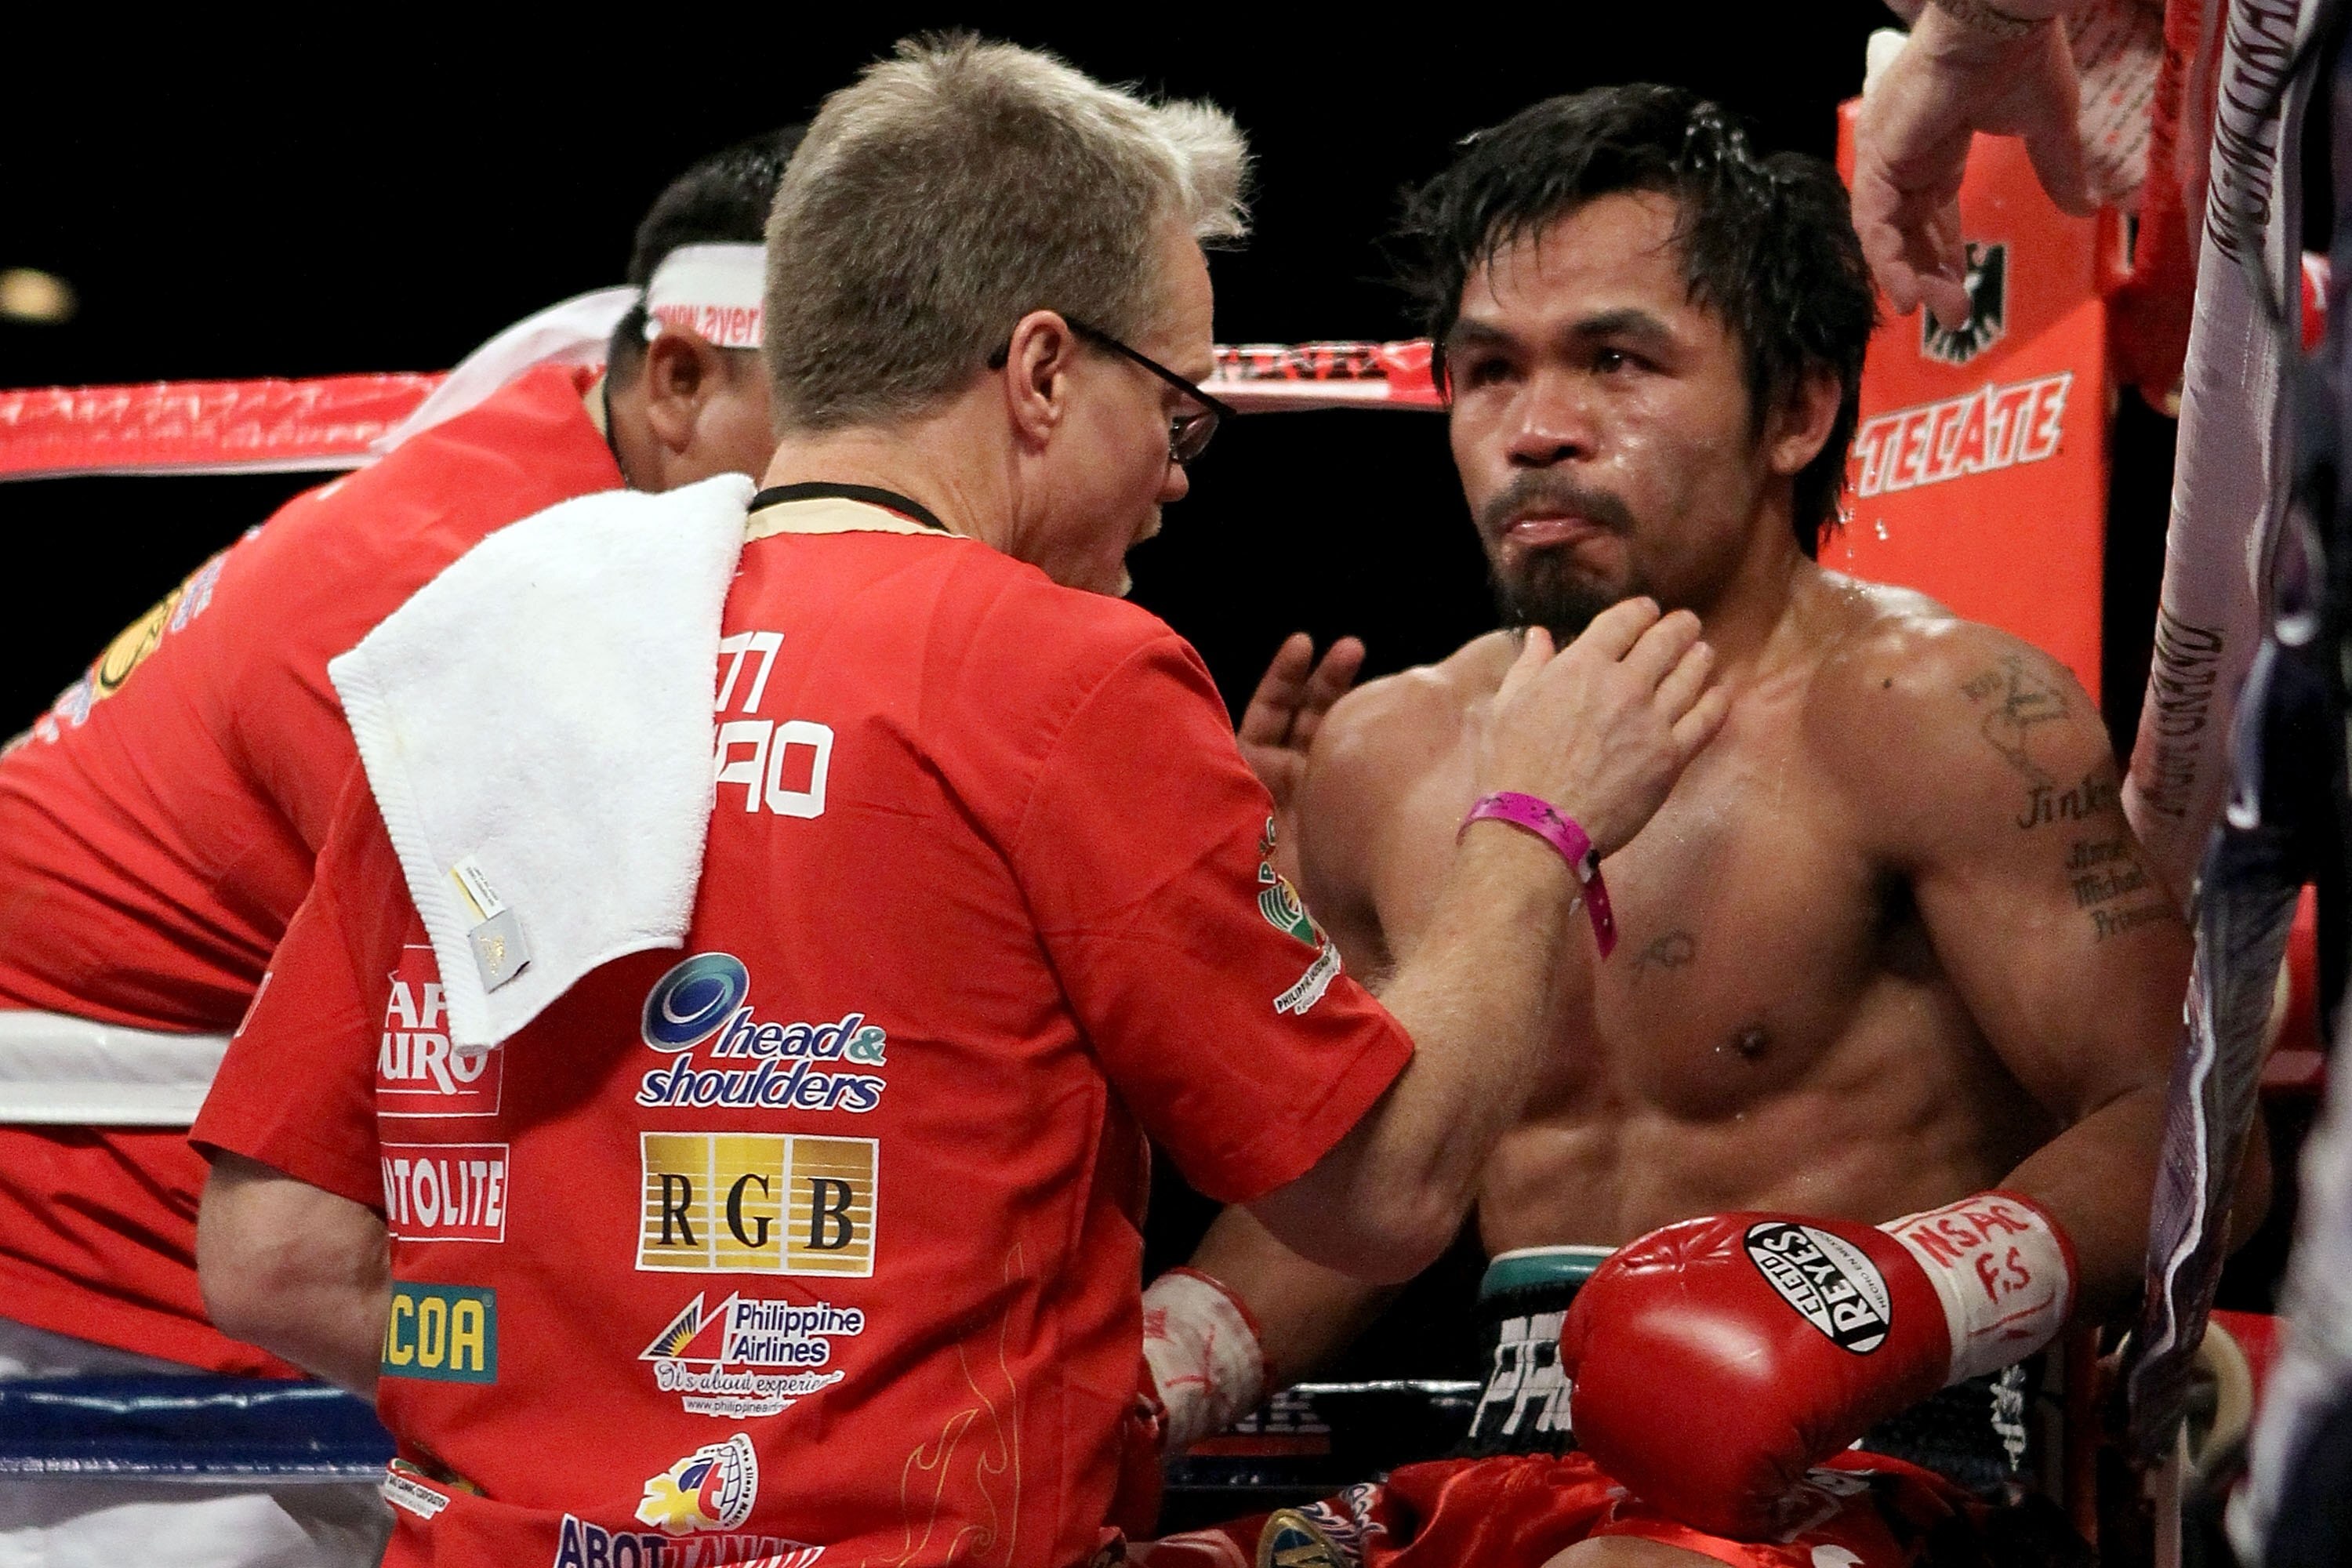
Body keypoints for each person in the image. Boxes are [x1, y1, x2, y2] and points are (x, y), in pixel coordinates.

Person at [187, 36, 1726, 1568]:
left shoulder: (491, 657)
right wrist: (1533, 821)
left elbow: (276, 1256)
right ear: (1045, 372)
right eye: (1176, 407)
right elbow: (1380, 1192)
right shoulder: (1066, 674)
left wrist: (566, 1379)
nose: (1179, 475)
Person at [1143, 85, 2229, 1568]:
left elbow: (2185, 1126)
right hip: (1508, 1477)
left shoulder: (1936, 712)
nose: (1536, 431)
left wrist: (1879, 1307)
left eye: (1617, 361)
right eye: (1489, 371)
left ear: (1796, 411)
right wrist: (1141, 1381)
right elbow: (1354, 1201)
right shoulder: (1387, 754)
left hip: (1874, 1474)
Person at [0, 128, 796, 1565]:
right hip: (98, 1266)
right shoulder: (478, 594)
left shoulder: (559, 443)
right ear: (678, 380)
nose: (878, 462)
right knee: (660, 1336)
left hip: (181, 1201)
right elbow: (608, 1074)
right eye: (842, 401)